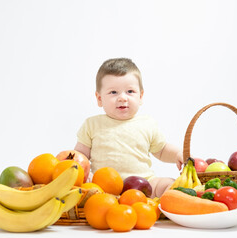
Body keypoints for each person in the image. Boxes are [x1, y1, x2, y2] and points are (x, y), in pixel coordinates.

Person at [74, 58, 183, 198]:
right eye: (113, 92)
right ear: (99, 99)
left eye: (130, 91)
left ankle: (168, 202)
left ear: (141, 96)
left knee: (169, 184)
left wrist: (178, 154)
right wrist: (86, 174)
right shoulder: (92, 124)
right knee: (86, 191)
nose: (122, 98)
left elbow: (161, 150)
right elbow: (80, 156)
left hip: (145, 184)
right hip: (103, 186)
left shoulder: (147, 124)